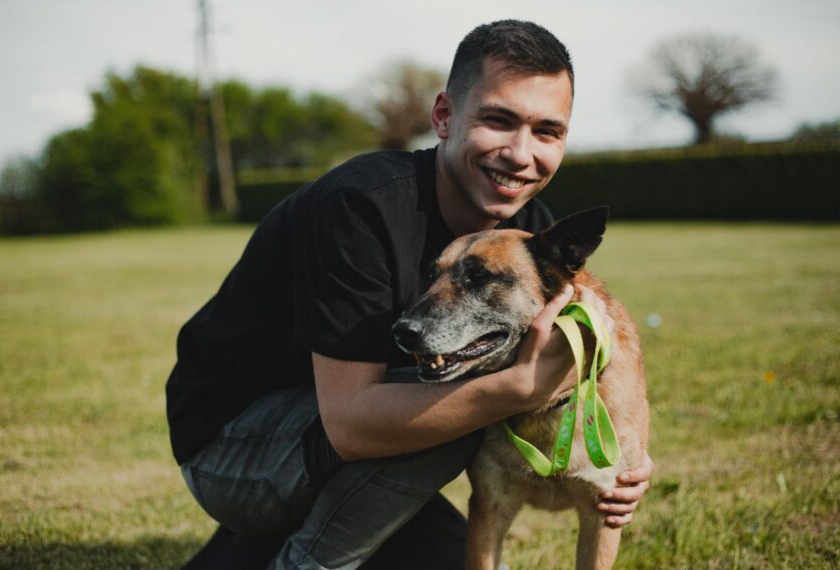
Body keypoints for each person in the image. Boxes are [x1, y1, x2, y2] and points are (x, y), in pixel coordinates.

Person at [167, 19, 653, 570]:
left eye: (547, 131)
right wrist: (516, 388)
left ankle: (241, 553)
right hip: (234, 445)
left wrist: (622, 459)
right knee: (451, 403)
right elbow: (349, 423)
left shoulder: (525, 233)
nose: (521, 154)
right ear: (444, 116)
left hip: (347, 450)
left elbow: (584, 347)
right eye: (498, 120)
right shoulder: (361, 207)